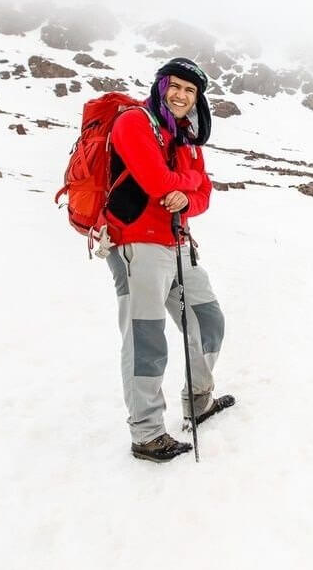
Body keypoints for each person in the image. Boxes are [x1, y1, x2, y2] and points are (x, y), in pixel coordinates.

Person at [104, 57, 234, 463]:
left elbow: (203, 196)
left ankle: (198, 401)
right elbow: (157, 182)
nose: (180, 95)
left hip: (179, 243)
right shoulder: (134, 123)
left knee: (208, 321)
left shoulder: (186, 138)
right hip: (136, 245)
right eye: (174, 86)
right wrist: (189, 184)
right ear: (161, 86)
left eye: (189, 90)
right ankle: (146, 434)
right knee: (146, 339)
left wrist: (189, 191)